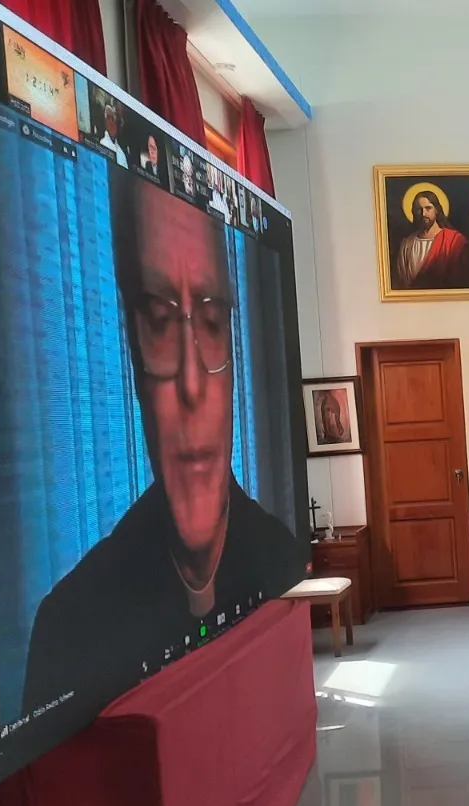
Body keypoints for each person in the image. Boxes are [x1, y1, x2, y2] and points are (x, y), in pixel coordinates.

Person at [21, 176, 300, 716]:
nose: (192, 384)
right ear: (131, 349)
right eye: (160, 323)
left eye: (212, 322)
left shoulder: (280, 558)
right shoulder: (70, 627)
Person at [394, 189, 469, 290]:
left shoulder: (453, 241)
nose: (423, 214)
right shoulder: (406, 244)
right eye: (419, 209)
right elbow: (401, 281)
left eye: (428, 208)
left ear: (436, 210)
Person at [98, 100, 127, 168]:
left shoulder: (121, 153)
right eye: (108, 118)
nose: (110, 122)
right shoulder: (102, 143)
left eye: (113, 119)